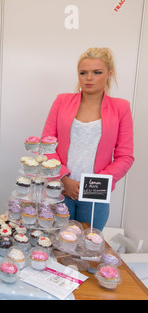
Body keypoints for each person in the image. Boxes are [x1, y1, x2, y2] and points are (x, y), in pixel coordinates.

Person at [42, 47, 134, 230]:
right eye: (83, 73)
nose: (89, 78)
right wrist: (64, 178)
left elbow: (125, 156)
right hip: (60, 189)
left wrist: (92, 185)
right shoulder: (62, 101)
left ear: (109, 73)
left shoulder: (121, 107)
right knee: (55, 247)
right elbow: (47, 144)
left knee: (89, 250)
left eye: (97, 72)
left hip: (95, 194)